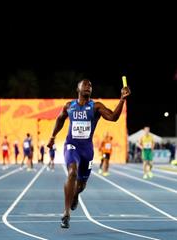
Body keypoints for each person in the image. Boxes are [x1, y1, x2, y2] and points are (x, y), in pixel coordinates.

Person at [47, 78, 130, 228]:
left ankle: (76, 195)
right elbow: (59, 120)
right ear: (77, 89)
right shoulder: (69, 106)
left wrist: (122, 100)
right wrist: (52, 137)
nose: (88, 86)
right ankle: (66, 214)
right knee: (72, 172)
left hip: (87, 150)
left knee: (81, 185)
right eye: (84, 84)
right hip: (72, 146)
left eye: (90, 85)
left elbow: (113, 117)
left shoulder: (95, 106)